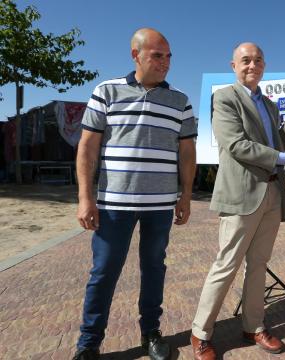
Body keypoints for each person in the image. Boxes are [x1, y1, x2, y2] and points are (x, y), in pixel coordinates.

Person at [73, 28, 197, 360]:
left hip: (159, 206)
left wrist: (185, 196)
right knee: (103, 273)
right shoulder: (107, 91)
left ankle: (150, 333)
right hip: (113, 205)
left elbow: (187, 153)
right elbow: (88, 147)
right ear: (135, 55)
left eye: (169, 56)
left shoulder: (180, 101)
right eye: (157, 55)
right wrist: (86, 197)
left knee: (154, 268)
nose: (165, 62)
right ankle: (88, 344)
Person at [190, 42, 285, 360]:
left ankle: (253, 325)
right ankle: (200, 333)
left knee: (258, 264)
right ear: (233, 65)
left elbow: (273, 142)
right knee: (226, 265)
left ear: (264, 65)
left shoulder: (270, 105)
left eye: (258, 60)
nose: (252, 65)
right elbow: (237, 145)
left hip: (272, 192)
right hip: (242, 194)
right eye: (246, 60)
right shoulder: (224, 98)